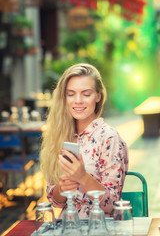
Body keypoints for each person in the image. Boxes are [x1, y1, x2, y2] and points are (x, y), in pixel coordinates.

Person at [40, 63, 128, 218]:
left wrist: (82, 177)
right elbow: (55, 201)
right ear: (64, 97)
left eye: (86, 94)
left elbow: (112, 205)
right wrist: (62, 188)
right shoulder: (60, 135)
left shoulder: (108, 137)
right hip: (67, 226)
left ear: (98, 96)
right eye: (71, 94)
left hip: (99, 227)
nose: (78, 100)